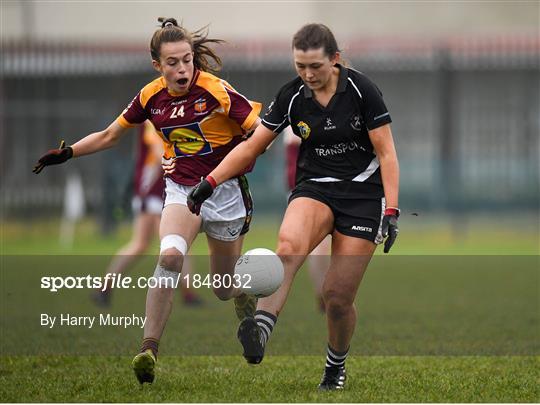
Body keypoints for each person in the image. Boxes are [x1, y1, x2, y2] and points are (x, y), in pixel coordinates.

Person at [33, 17, 262, 385]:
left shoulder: (217, 90)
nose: (182, 68)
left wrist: (226, 168)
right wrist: (69, 152)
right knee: (169, 255)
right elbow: (110, 135)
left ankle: (243, 301)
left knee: (222, 287)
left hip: (225, 192)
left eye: (187, 60)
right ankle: (148, 350)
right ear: (157, 64)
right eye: (172, 62)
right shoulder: (150, 95)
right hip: (183, 191)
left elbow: (259, 131)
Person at [186, 23, 400, 390]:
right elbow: (252, 146)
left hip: (363, 196)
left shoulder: (362, 91)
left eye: (315, 66)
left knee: (336, 297)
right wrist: (210, 181)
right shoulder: (291, 95)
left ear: (335, 59)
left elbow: (387, 153)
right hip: (314, 189)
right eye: (300, 65)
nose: (307, 74)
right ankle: (260, 333)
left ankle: (335, 368)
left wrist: (392, 211)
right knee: (287, 249)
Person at [92, 121, 202, 308]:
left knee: (173, 242)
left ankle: (188, 294)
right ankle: (105, 287)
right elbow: (158, 149)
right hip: (152, 190)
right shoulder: (154, 115)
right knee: (145, 244)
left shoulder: (175, 112)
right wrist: (184, 164)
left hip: (167, 189)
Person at [284, 127, 329, 313]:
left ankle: (323, 293)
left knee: (317, 245)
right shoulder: (298, 113)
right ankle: (323, 293)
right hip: (308, 186)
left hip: (308, 185)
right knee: (318, 245)